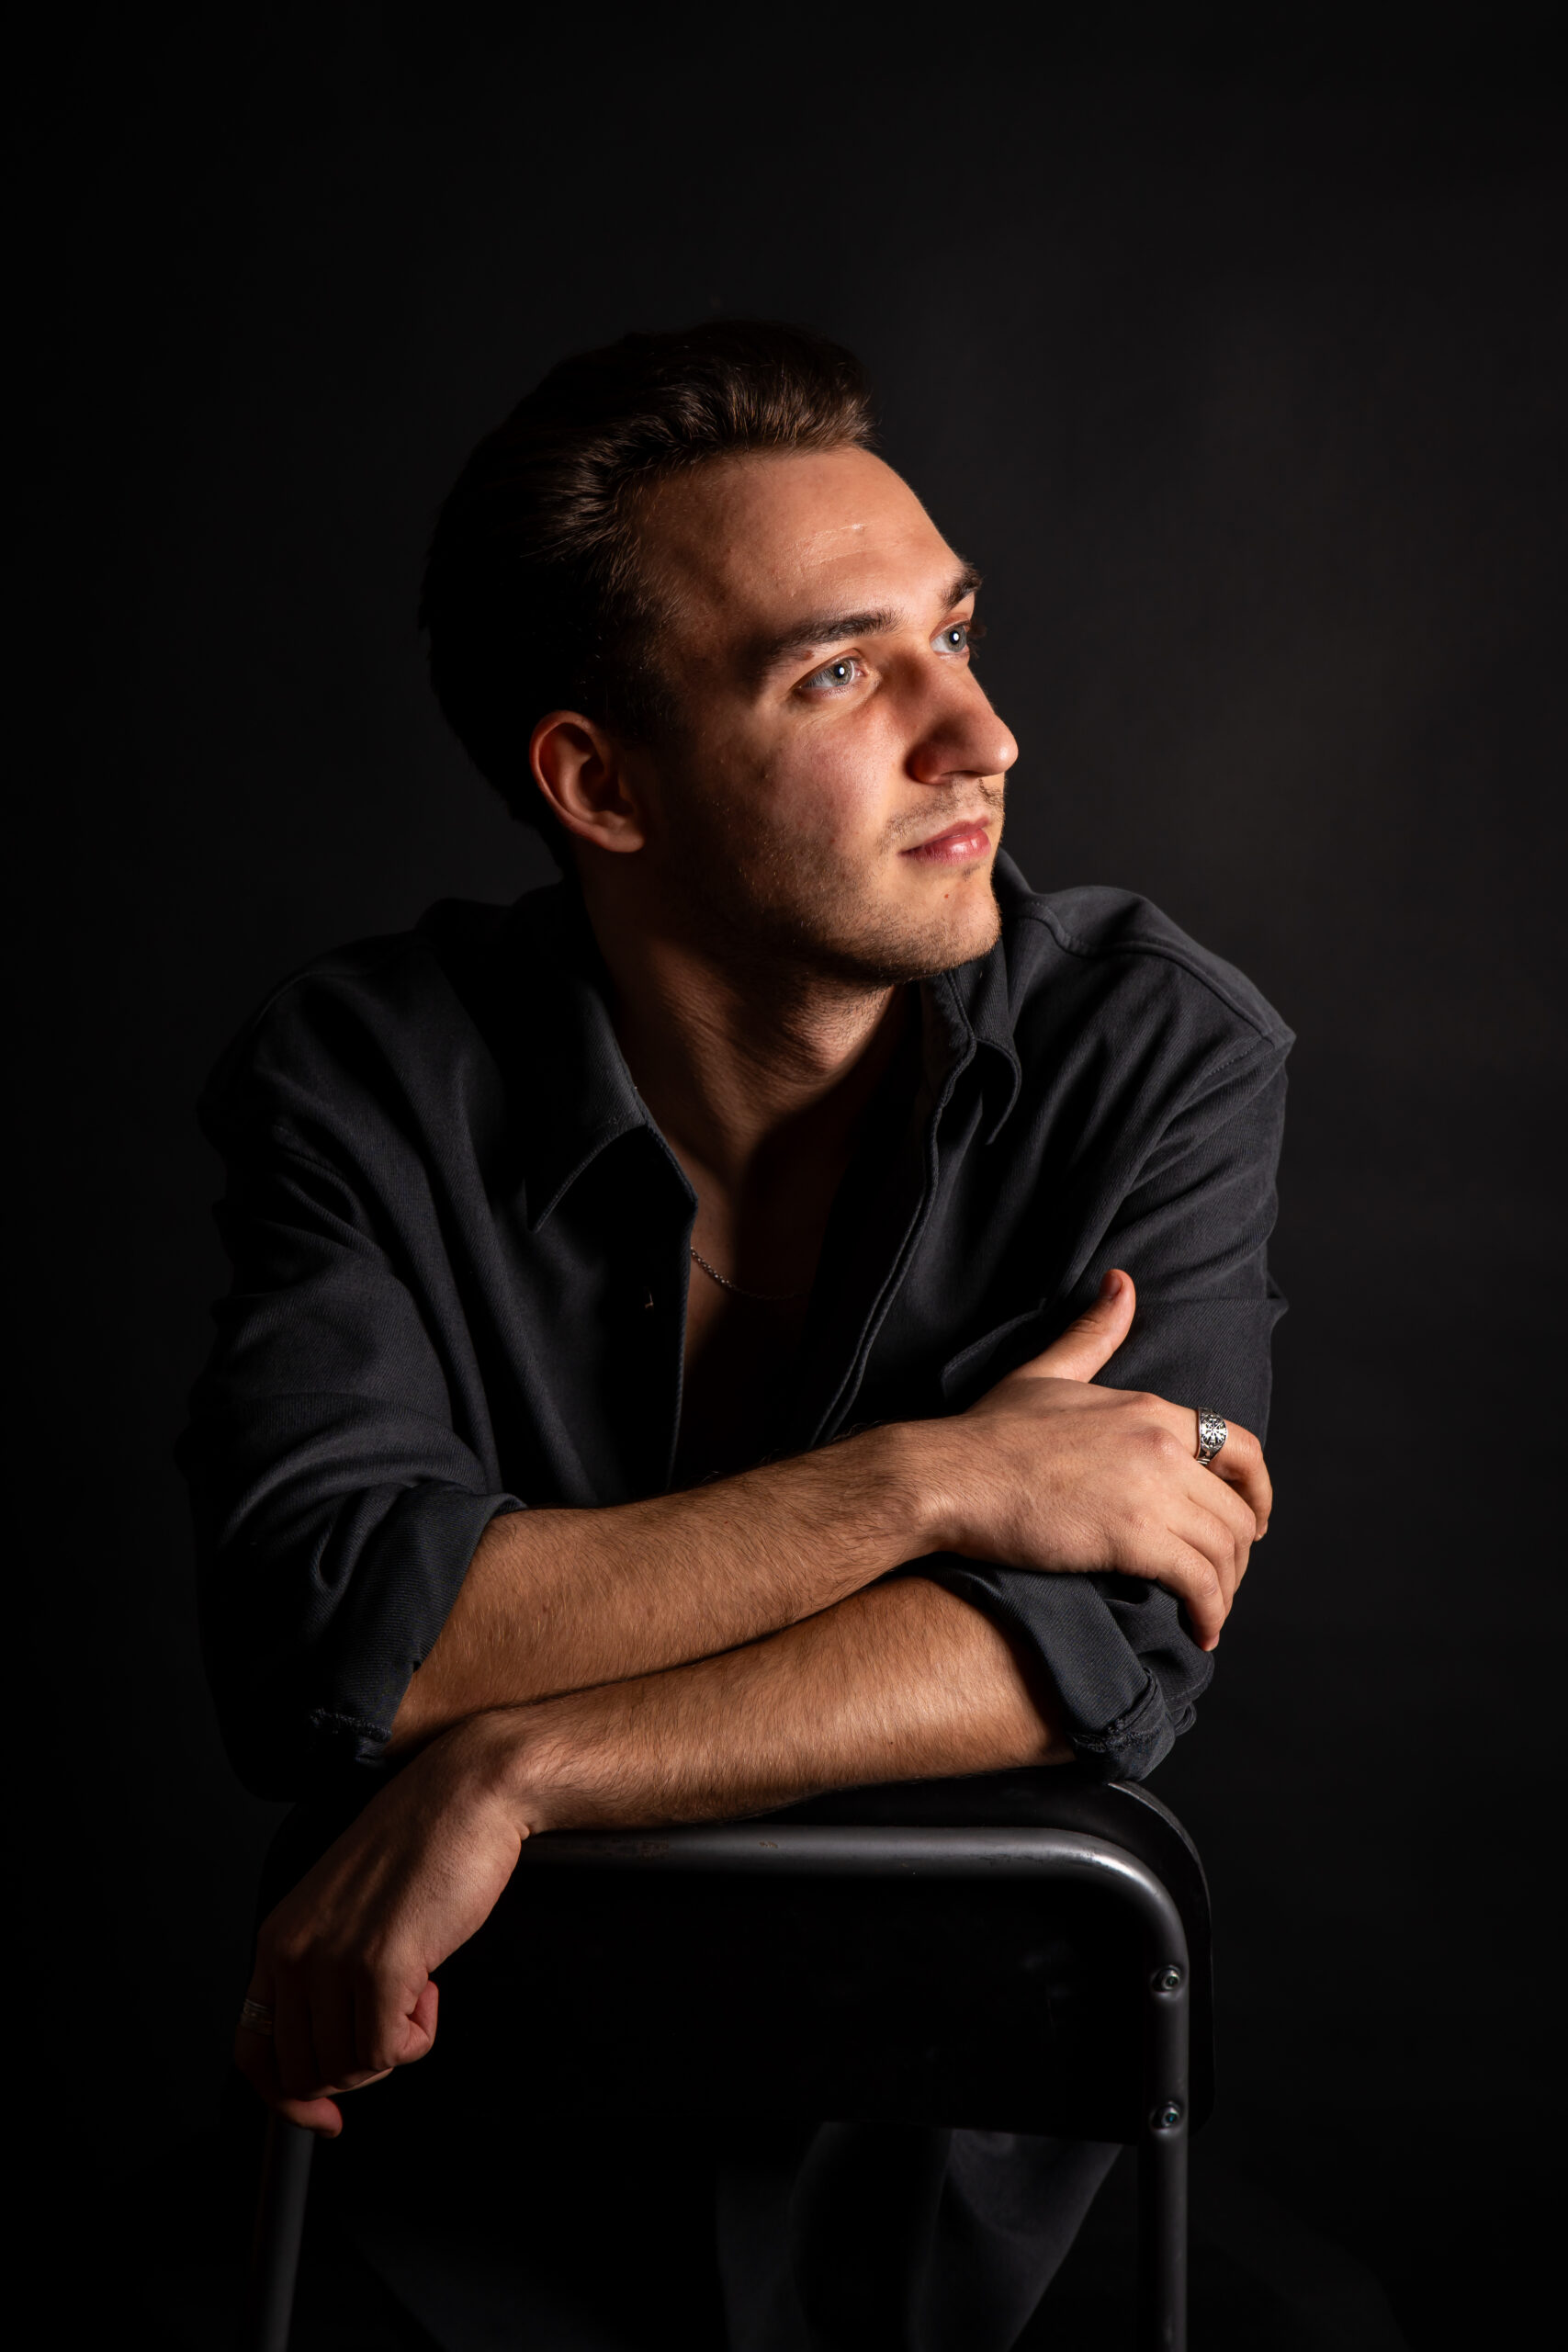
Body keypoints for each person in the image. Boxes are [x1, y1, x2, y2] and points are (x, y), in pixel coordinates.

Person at [181, 320, 1289, 2349]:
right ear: (601, 785)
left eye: (955, 633)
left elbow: (1095, 1649)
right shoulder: (360, 1080)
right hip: (459, 2193)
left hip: (979, 2217)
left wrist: (524, 1762)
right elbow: (348, 1634)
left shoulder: (1150, 1054)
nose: (980, 736)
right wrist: (931, 1482)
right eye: (841, 672)